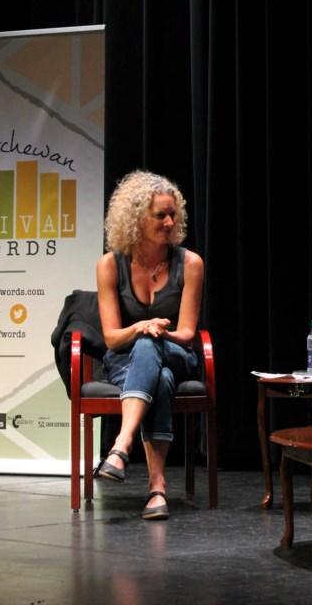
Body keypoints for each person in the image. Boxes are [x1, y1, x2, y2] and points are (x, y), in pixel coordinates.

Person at [94, 170, 205, 521]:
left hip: (177, 351)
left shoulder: (190, 264)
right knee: (159, 377)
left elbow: (188, 333)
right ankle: (157, 488)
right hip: (125, 358)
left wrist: (160, 331)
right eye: (161, 215)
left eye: (174, 214)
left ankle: (121, 446)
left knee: (150, 343)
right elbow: (111, 337)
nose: (170, 221)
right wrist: (142, 326)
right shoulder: (110, 265)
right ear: (136, 218)